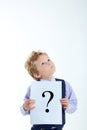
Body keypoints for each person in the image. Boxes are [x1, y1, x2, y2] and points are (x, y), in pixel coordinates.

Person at [20, 50, 77, 130]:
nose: (49, 62)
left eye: (48, 59)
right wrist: (25, 107)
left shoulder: (64, 85)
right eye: (43, 63)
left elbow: (74, 105)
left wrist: (68, 105)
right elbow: (23, 111)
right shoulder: (33, 88)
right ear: (37, 74)